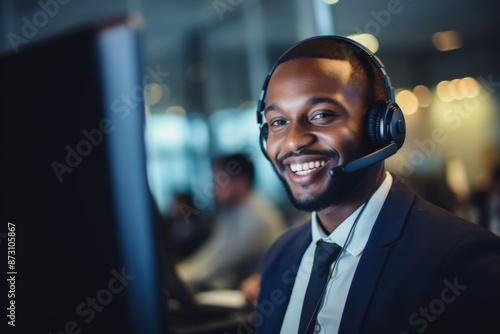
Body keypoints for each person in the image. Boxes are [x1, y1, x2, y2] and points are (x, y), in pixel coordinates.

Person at [253, 36, 500, 334]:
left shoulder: (459, 260)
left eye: (322, 115)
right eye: (278, 122)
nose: (293, 141)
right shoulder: (281, 256)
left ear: (382, 127)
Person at [176, 153, 286, 292]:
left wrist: (176, 275)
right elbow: (212, 252)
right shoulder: (232, 211)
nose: (214, 187)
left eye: (220, 180)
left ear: (241, 182)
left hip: (263, 294)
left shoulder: (255, 217)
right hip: (243, 289)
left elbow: (217, 263)